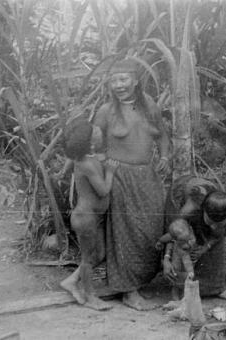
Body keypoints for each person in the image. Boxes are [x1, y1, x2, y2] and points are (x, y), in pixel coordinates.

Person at [93, 58, 171, 311]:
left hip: (147, 176)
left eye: (123, 79)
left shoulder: (149, 105)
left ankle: (142, 280)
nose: (118, 85)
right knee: (125, 234)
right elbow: (94, 143)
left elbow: (162, 135)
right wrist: (107, 166)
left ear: (135, 81)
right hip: (120, 178)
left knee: (150, 229)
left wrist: (166, 156)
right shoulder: (106, 111)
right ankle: (129, 290)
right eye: (114, 80)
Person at [59, 120, 119, 311]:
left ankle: (71, 281)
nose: (99, 130)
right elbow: (102, 191)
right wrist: (110, 172)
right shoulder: (87, 164)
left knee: (99, 254)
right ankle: (90, 296)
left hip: (93, 217)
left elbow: (81, 159)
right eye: (95, 130)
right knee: (87, 258)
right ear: (90, 141)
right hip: (85, 218)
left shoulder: (88, 158)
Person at [163, 175, 226, 297]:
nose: (214, 227)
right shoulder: (189, 210)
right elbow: (173, 233)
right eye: (210, 222)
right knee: (183, 241)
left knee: (215, 243)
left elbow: (218, 234)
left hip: (205, 201)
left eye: (219, 224)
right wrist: (166, 258)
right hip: (180, 192)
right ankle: (179, 289)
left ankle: (215, 288)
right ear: (203, 211)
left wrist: (207, 245)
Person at [155, 218, 196, 301]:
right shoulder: (174, 241)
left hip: (186, 265)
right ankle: (176, 298)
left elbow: (187, 261)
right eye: (182, 241)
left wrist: (190, 271)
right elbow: (166, 238)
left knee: (187, 280)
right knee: (175, 281)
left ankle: (184, 298)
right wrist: (160, 242)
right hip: (176, 262)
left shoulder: (191, 236)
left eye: (188, 239)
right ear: (174, 239)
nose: (186, 243)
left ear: (190, 230)